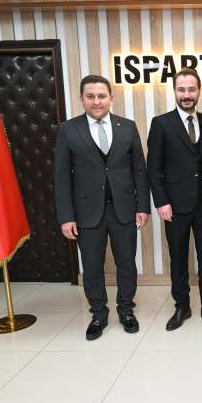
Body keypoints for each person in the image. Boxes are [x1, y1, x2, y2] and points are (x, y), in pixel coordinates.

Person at [54, 74, 150, 341]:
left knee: (127, 263)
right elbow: (61, 177)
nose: (96, 101)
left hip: (124, 209)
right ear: (82, 99)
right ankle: (98, 313)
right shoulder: (68, 130)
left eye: (101, 96)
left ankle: (126, 310)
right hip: (86, 212)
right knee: (92, 266)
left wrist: (143, 206)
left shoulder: (127, 127)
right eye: (90, 96)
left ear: (111, 98)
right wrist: (66, 216)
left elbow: (139, 170)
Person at [147, 68, 202, 331]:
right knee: (178, 257)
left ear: (199, 91)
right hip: (174, 204)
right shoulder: (161, 123)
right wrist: (161, 202)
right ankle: (182, 305)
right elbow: (153, 167)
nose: (187, 95)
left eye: (191, 89)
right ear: (175, 91)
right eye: (182, 90)